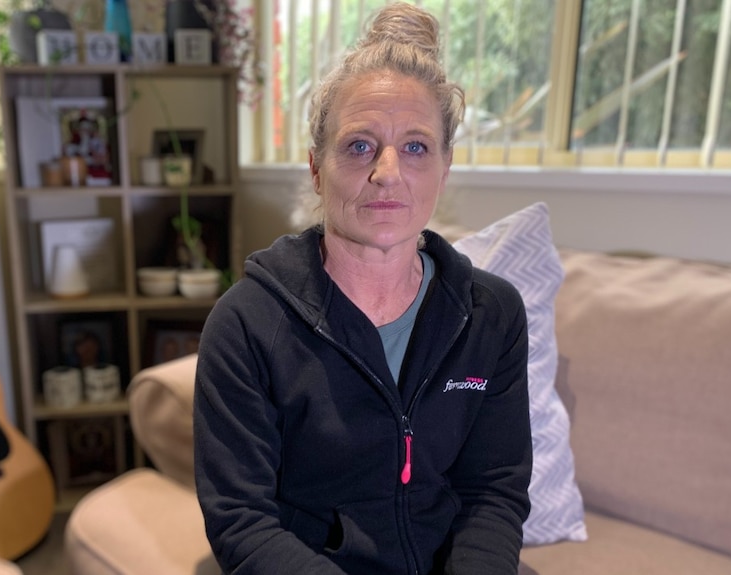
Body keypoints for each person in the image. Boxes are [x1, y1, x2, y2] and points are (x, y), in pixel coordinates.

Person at [193, 3, 532, 574]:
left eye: (417, 147)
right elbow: (240, 521)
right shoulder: (246, 323)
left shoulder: (491, 313)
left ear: (444, 169)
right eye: (359, 146)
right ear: (317, 168)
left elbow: (492, 492)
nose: (388, 172)